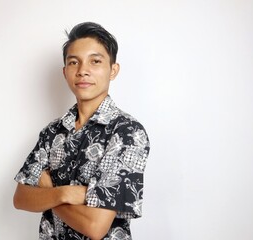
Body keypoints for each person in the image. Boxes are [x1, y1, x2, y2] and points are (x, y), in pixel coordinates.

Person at [13, 22, 150, 240]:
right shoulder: (52, 132)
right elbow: (21, 198)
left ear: (113, 70)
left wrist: (48, 193)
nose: (83, 71)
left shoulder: (127, 133)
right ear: (65, 71)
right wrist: (65, 193)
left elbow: (95, 227)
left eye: (95, 61)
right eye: (74, 62)